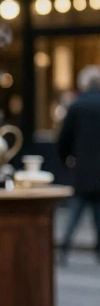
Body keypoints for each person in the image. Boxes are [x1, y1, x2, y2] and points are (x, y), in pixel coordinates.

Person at [58, 65, 100, 264]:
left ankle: (64, 248)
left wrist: (66, 160)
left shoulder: (77, 106)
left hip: (82, 170)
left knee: (74, 214)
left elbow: (64, 139)